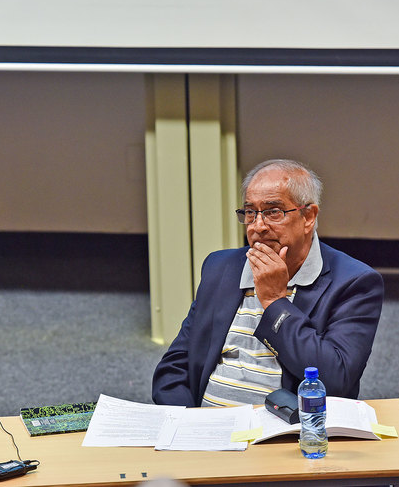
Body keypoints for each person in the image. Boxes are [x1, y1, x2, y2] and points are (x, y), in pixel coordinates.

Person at [152, 159, 383, 407]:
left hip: (285, 433)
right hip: (206, 431)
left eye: (273, 212)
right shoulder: (220, 268)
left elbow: (336, 379)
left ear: (308, 216)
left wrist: (275, 302)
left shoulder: (353, 283)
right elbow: (174, 369)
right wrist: (188, 422)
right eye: (250, 212)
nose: (258, 226)